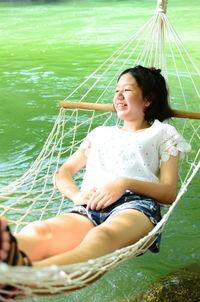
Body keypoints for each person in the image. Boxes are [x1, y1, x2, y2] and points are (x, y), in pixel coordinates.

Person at [0, 65, 191, 269]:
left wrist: (123, 184)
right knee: (41, 230)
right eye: (116, 91)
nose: (118, 96)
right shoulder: (100, 133)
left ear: (148, 99)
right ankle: (7, 261)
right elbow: (62, 173)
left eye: (126, 90)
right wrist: (77, 196)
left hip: (136, 207)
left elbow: (168, 192)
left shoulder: (163, 133)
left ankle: (25, 275)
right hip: (89, 207)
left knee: (100, 237)